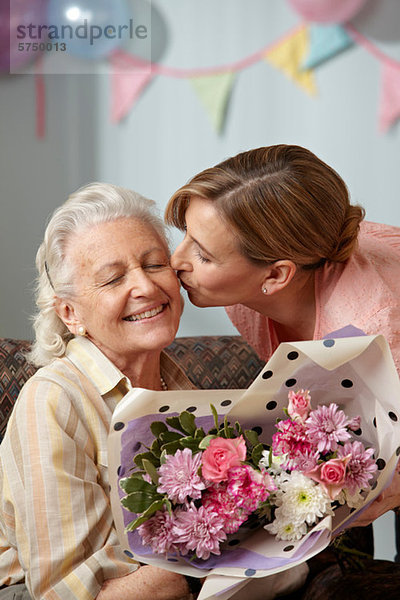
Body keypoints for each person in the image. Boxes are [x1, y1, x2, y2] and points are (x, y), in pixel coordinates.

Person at [165, 144, 400, 596]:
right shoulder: (252, 296)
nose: (178, 261)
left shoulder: (373, 329)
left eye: (204, 255)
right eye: (187, 235)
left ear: (276, 276)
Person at [0, 182, 196, 600]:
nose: (145, 287)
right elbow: (65, 590)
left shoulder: (184, 387)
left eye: (156, 264)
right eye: (113, 278)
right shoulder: (53, 400)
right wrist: (203, 564)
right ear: (70, 313)